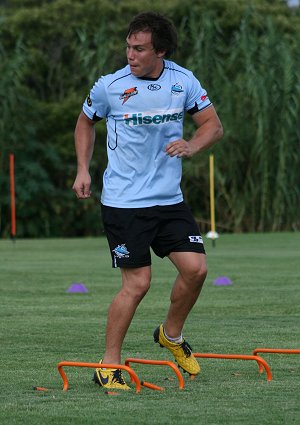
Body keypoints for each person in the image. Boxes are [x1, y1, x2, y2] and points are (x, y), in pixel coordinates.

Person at [72, 11, 223, 390]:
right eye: (128, 47)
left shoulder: (182, 80)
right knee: (138, 284)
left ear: (161, 51)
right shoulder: (110, 86)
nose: (130, 55)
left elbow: (212, 125)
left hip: (169, 200)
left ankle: (170, 336)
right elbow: (85, 121)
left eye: (139, 49)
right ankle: (108, 366)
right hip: (124, 202)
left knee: (196, 270)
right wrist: (83, 169)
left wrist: (192, 144)